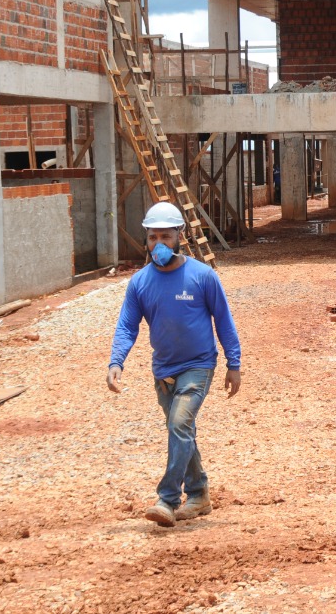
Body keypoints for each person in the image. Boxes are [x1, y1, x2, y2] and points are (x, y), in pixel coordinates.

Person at [107, 201, 242, 527]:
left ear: (180, 235)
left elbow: (223, 319)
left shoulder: (202, 276)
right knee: (182, 431)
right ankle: (199, 495)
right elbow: (127, 325)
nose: (158, 244)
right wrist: (116, 361)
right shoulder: (140, 282)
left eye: (165, 237)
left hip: (199, 365)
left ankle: (167, 499)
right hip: (163, 370)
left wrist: (233, 362)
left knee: (179, 424)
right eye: (153, 238)